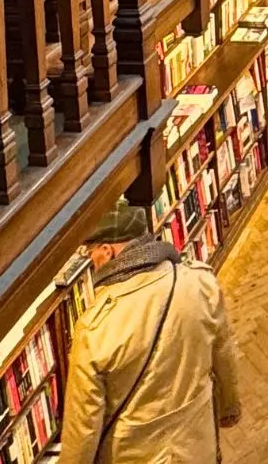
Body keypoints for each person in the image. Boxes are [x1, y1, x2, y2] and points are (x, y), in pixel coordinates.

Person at [58, 199, 242, 464]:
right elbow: (223, 355)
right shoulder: (200, 283)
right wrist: (229, 409)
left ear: (108, 252)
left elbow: (83, 427)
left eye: (91, 252)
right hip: (196, 443)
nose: (92, 261)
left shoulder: (94, 330)